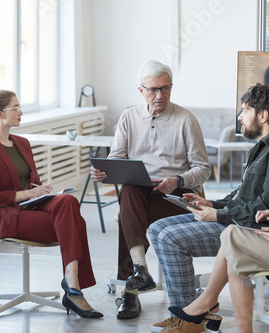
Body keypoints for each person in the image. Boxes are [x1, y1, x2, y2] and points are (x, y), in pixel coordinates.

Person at [149, 83, 269, 332]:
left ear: (263, 116)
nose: (239, 117)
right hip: (237, 218)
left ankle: (192, 316)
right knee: (157, 228)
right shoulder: (264, 145)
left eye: (245, 110)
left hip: (253, 228)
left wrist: (219, 214)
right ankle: (195, 311)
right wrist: (211, 203)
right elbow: (242, 194)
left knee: (170, 238)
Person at [90, 60, 211, 319]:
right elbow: (116, 159)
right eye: (153, 89)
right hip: (139, 191)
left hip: (174, 193)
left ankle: (130, 293)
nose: (160, 95)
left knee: (128, 213)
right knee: (130, 193)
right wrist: (104, 172)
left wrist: (177, 180)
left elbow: (203, 169)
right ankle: (140, 272)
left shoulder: (185, 119)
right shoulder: (128, 118)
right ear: (140, 90)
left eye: (165, 88)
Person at [0, 90, 103, 319]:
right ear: (1, 114)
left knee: (68, 201)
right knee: (76, 223)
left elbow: (33, 182)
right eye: (16, 108)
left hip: (32, 205)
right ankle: (73, 287)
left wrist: (39, 191)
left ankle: (71, 279)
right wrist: (30, 193)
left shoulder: (22, 143)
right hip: (6, 215)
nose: (21, 112)